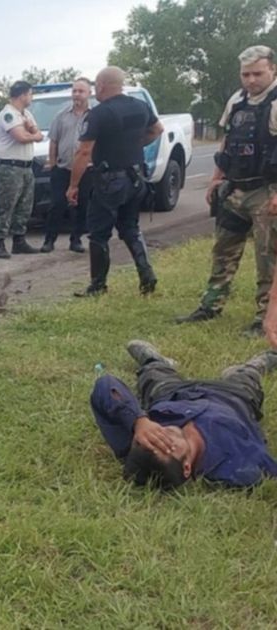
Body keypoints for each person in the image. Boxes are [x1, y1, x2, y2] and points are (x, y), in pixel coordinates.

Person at [179, 45, 277, 336]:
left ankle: (264, 318)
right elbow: (227, 142)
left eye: (257, 73)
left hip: (266, 189)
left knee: (267, 256)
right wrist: (215, 179)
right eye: (245, 74)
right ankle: (211, 305)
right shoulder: (237, 100)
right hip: (235, 188)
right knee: (223, 249)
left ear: (272, 69)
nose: (250, 80)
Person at [90, 339, 277, 489]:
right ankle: (253, 367)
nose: (161, 434)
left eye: (152, 439)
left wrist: (139, 421)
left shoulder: (138, 445)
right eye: (165, 445)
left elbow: (105, 385)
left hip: (173, 395)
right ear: (187, 467)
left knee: (154, 375)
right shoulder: (235, 466)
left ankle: (155, 361)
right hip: (232, 397)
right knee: (246, 379)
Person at [67, 67, 163, 297]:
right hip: (136, 178)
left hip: (109, 181)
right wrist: (134, 147)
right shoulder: (140, 106)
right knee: (130, 228)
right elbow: (157, 130)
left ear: (101, 86)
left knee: (99, 233)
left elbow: (84, 152)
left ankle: (98, 285)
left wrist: (73, 185)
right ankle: (147, 275)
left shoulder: (101, 113)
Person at [0, 80, 44, 259]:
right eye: (30, 94)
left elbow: (39, 134)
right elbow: (21, 136)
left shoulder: (26, 113)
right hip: (9, 167)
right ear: (22, 95)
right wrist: (32, 134)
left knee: (24, 206)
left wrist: (32, 133)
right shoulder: (8, 114)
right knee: (6, 205)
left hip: (26, 166)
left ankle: (19, 241)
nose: (31, 97)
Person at [41, 78, 93, 254]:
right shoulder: (61, 116)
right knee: (57, 204)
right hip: (63, 169)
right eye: (74, 91)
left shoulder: (95, 116)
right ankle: (49, 240)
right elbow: (53, 141)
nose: (77, 94)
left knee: (83, 205)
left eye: (81, 91)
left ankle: (76, 239)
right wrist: (53, 163)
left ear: (89, 93)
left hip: (87, 169)